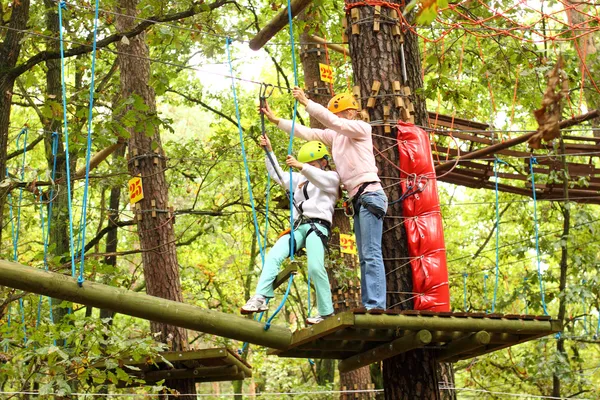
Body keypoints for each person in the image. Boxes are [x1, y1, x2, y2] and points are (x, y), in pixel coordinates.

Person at [261, 88, 388, 311]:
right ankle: (372, 305)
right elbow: (307, 133)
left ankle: (375, 305)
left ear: (351, 113)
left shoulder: (361, 129)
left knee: (370, 253)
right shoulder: (336, 136)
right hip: (359, 198)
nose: (335, 119)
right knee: (365, 255)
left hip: (370, 193)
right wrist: (276, 121)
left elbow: (334, 123)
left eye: (338, 115)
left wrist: (307, 103)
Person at [241, 134, 340, 324]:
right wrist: (268, 151)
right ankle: (260, 297)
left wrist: (302, 166)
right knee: (274, 255)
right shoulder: (300, 180)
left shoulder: (331, 178)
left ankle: (326, 312)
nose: (308, 167)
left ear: (324, 162)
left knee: (315, 267)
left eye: (313, 163)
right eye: (306, 164)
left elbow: (322, 179)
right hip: (298, 227)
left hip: (317, 226)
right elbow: (278, 174)